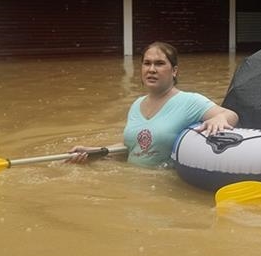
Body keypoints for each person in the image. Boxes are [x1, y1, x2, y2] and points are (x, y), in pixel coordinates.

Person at [67, 41, 238, 167]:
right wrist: (93, 152)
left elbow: (231, 115)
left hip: (165, 188)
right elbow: (132, 148)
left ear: (174, 71)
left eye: (160, 64)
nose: (151, 69)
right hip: (132, 186)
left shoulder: (189, 101)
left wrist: (219, 118)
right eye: (147, 63)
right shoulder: (136, 105)